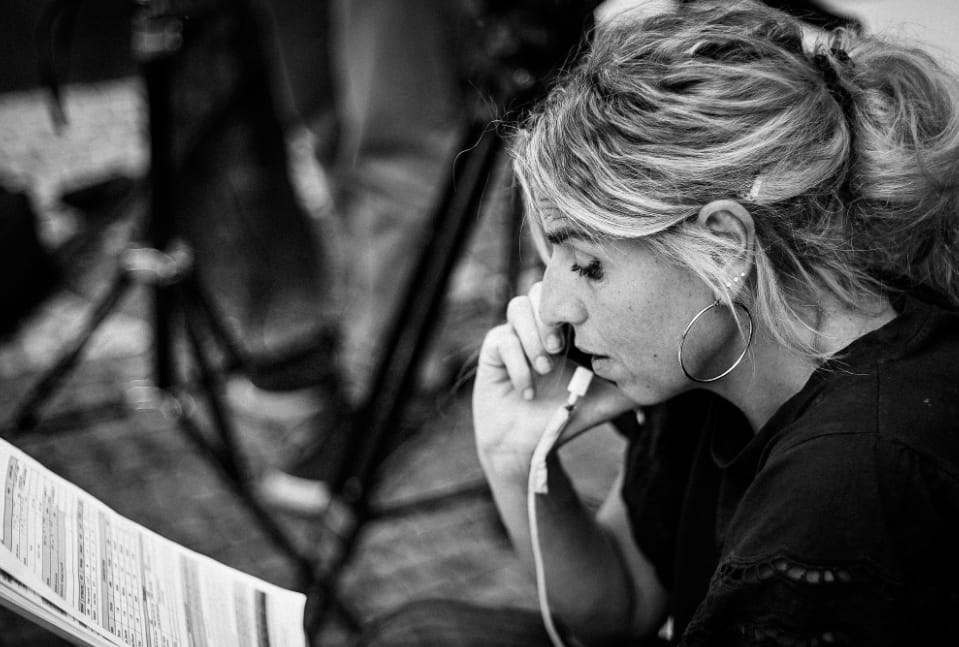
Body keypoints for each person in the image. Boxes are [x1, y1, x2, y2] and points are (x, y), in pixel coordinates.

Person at [355, 0, 959, 645]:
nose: (552, 307)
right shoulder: (713, 354)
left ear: (723, 246)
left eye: (588, 265)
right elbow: (621, 605)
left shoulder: (846, 484)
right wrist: (515, 459)